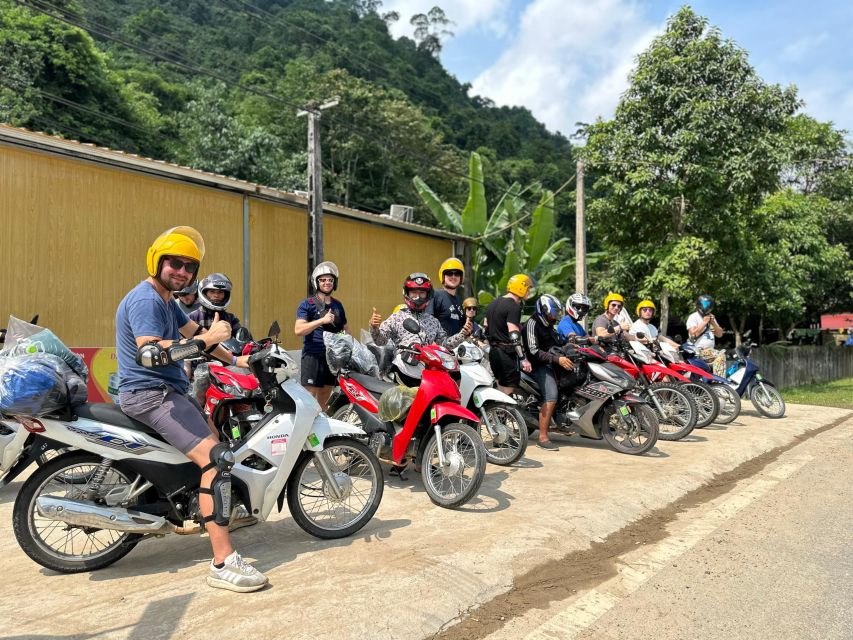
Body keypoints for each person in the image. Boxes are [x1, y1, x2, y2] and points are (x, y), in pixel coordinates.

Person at [116, 226, 267, 593]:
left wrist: (238, 360)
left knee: (217, 441)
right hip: (151, 394)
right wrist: (207, 338)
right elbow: (151, 354)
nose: (182, 271)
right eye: (175, 263)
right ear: (157, 261)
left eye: (189, 267)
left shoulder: (166, 300)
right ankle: (223, 561)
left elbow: (192, 336)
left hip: (169, 392)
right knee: (218, 460)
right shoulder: (147, 300)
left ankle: (213, 512)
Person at [523, 294, 575, 451]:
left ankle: (562, 420)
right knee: (551, 396)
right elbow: (533, 352)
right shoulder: (532, 324)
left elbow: (558, 340)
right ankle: (543, 437)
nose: (555, 316)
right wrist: (557, 360)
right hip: (537, 365)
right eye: (553, 312)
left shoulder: (548, 325)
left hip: (551, 363)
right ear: (544, 310)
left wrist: (577, 342)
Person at [294, 261, 348, 409]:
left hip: (332, 359)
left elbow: (345, 330)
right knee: (309, 399)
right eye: (323, 280)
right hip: (313, 356)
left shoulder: (338, 305)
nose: (327, 283)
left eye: (330, 280)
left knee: (325, 400)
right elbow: (298, 330)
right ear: (316, 282)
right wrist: (321, 321)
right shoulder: (307, 304)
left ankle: (319, 432)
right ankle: (305, 431)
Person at [369, 272, 469, 350]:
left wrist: (462, 334)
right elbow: (380, 342)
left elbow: (445, 345)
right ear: (407, 293)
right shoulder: (397, 317)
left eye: (422, 292)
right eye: (413, 292)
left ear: (428, 295)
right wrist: (374, 327)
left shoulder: (434, 322)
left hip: (427, 369)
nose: (417, 296)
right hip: (401, 368)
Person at [484, 274, 535, 395]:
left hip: (494, 353)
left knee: (500, 392)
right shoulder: (513, 306)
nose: (529, 292)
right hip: (506, 355)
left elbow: (485, 328)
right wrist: (523, 359)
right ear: (521, 288)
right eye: (528, 289)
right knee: (508, 394)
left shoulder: (493, 304)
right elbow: (514, 335)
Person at [686, 294, 726, 376]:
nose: (706, 307)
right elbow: (693, 333)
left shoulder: (711, 318)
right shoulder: (693, 317)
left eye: (708, 305)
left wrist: (713, 323)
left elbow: (720, 334)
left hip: (710, 351)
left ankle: (715, 382)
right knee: (720, 355)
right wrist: (704, 323)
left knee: (724, 353)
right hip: (697, 351)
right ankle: (720, 383)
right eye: (704, 304)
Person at [429, 257, 470, 337]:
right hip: (439, 347)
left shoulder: (460, 300)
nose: (453, 277)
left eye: (457, 273)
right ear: (443, 276)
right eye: (449, 273)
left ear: (461, 277)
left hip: (457, 347)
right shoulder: (435, 295)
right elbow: (426, 320)